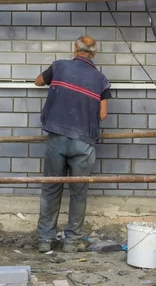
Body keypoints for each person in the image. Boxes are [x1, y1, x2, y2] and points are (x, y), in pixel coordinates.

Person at [35, 35, 111, 254]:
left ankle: (44, 240)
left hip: (57, 138)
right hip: (83, 142)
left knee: (50, 189)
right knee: (79, 193)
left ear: (74, 49)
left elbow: (38, 81)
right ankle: (71, 242)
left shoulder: (59, 67)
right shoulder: (100, 79)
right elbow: (103, 114)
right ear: (94, 54)